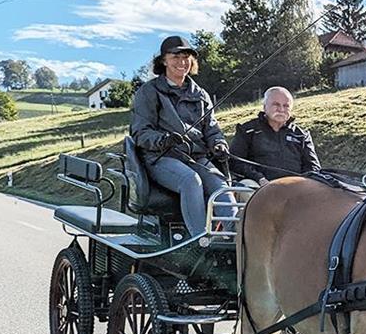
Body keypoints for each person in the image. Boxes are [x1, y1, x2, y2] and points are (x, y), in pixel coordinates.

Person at [130, 35, 234, 237]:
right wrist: (165, 139)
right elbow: (140, 132)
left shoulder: (200, 94)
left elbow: (212, 129)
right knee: (190, 181)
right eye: (175, 56)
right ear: (163, 61)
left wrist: (219, 144)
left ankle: (235, 240)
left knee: (220, 184)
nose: (182, 62)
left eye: (186, 56)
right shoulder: (149, 92)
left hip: (196, 157)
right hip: (161, 157)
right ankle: (200, 241)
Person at [230, 86, 321, 187]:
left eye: (286, 105)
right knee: (246, 186)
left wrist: (301, 183)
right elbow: (235, 162)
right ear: (264, 106)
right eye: (276, 104)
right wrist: (258, 178)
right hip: (258, 185)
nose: (281, 109)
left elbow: (313, 167)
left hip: (295, 188)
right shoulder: (247, 130)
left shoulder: (301, 135)